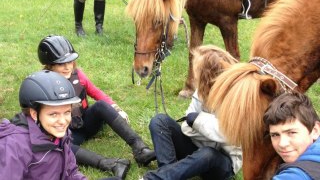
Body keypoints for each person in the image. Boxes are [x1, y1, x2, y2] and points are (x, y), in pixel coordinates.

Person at [37, 35, 156, 175]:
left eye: (70, 61)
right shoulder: (42, 85)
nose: (68, 67)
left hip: (86, 122)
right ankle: (111, 164)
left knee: (100, 105)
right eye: (61, 64)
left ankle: (140, 149)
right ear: (49, 65)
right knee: (60, 146)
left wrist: (116, 108)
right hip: (67, 133)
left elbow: (96, 92)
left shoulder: (77, 75)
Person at [142, 45, 242, 180]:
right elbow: (186, 127)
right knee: (159, 121)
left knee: (208, 153)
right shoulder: (201, 90)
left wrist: (198, 121)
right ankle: (168, 173)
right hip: (195, 148)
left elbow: (230, 136)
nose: (193, 74)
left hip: (221, 163)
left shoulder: (235, 98)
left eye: (196, 69)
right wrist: (207, 129)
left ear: (207, 74)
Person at [0, 70, 86, 179]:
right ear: (34, 114)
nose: (63, 121)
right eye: (53, 114)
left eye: (67, 112)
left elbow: (71, 172)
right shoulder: (14, 146)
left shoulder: (58, 133)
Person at [263, 92, 320, 179]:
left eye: (291, 132)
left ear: (315, 130)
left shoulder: (295, 176)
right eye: (275, 135)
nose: (282, 144)